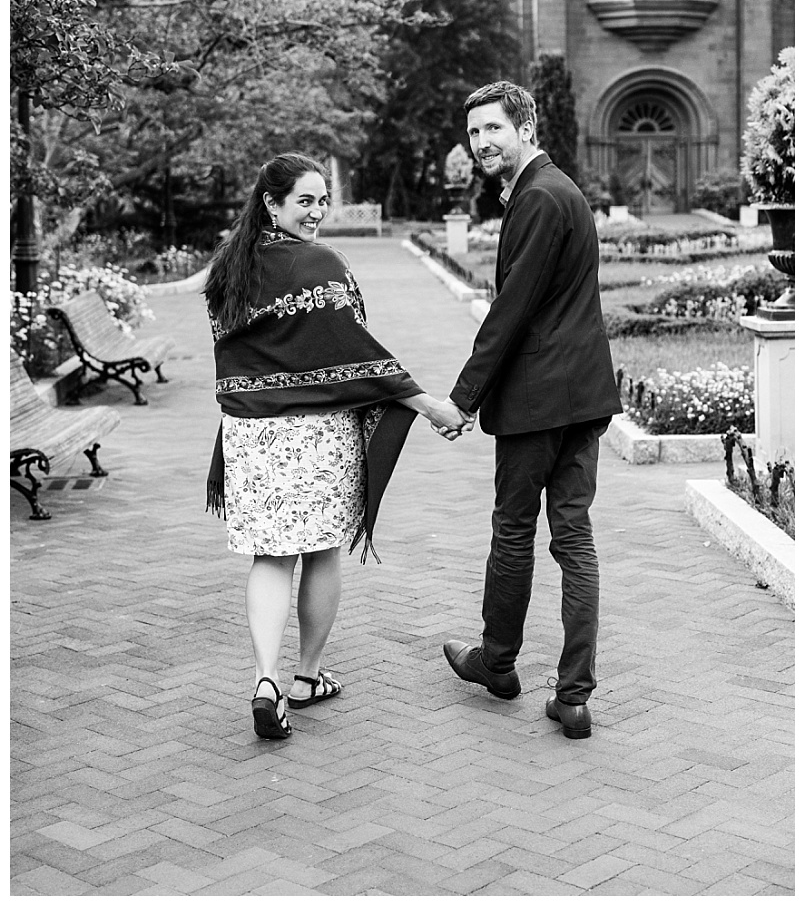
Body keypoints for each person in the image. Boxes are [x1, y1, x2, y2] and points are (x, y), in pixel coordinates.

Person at [204, 154, 466, 741]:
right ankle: (307, 676)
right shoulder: (322, 264)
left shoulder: (229, 268)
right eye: (305, 200)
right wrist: (428, 405)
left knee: (270, 558)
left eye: (323, 199)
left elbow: (242, 360)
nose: (318, 210)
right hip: (318, 435)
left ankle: (265, 681)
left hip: (251, 435)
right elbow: (354, 350)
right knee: (320, 552)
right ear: (272, 203)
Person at [439, 81, 623, 741]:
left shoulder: (541, 196)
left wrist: (461, 400)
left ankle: (499, 661)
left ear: (524, 126)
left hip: (540, 401)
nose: (482, 142)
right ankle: (571, 697)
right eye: (474, 133)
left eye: (493, 129)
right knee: (573, 535)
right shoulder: (554, 190)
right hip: (582, 397)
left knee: (516, 529)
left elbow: (510, 312)